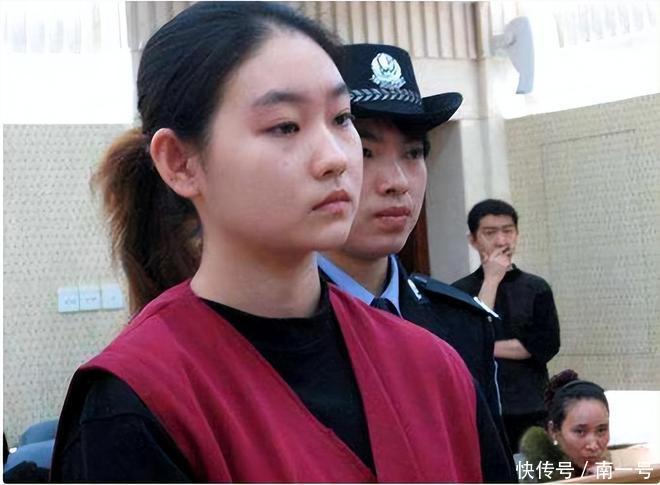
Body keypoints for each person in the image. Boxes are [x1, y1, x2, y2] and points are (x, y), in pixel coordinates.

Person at [51, 3, 486, 482]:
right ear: (179, 162)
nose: (336, 158)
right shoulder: (136, 400)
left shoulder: (433, 368)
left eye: (341, 119)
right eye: (285, 126)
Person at [318, 43, 516, 482]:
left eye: (413, 153)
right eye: (365, 152)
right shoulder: (275, 325)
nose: (397, 183)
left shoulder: (461, 325)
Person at [453, 199, 561, 452]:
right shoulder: (458, 291)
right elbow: (466, 342)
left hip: (533, 406)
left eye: (508, 231)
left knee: (534, 470)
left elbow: (546, 345)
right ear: (473, 240)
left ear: (517, 234)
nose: (501, 240)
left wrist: (485, 346)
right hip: (481, 407)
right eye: (490, 233)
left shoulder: (537, 288)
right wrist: (491, 279)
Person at [518, 370, 611, 482]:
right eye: (580, 431)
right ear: (553, 431)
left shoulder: (612, 469)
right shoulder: (521, 473)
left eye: (601, 430)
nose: (593, 446)